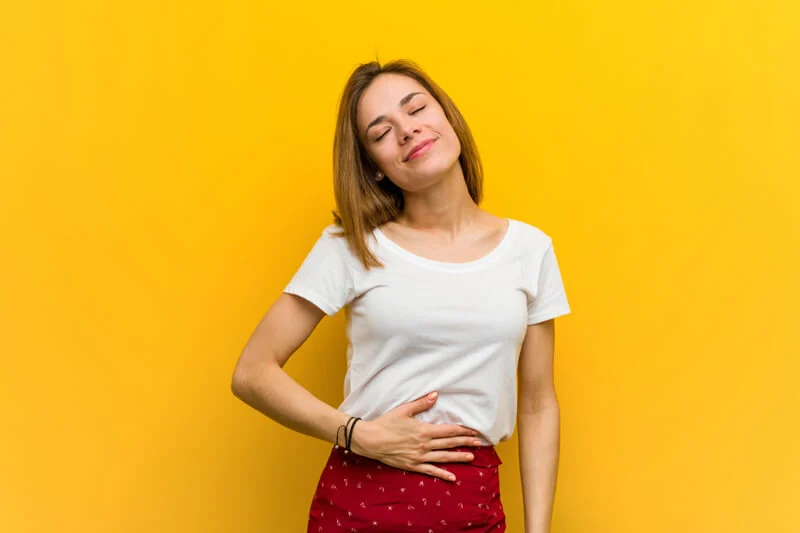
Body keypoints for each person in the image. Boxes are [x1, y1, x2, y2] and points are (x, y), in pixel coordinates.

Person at [231, 58, 571, 533]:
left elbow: (537, 405)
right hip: (357, 506)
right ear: (374, 169)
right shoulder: (351, 245)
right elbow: (252, 372)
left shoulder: (530, 250)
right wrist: (359, 435)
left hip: (471, 508)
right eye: (381, 132)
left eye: (416, 109)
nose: (408, 130)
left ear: (447, 117)